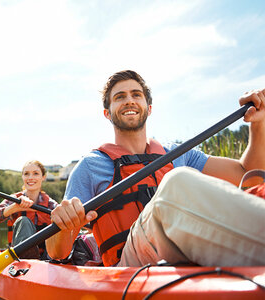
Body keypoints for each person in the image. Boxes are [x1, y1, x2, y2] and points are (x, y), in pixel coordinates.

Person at [46, 70, 265, 267]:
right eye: (119, 97)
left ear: (148, 108)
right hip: (130, 264)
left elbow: (249, 175)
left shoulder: (179, 153)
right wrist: (65, 224)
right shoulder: (90, 166)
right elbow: (57, 252)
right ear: (107, 113)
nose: (129, 101)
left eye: (136, 95)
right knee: (178, 181)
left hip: (186, 244)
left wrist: (258, 122)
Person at [0, 160, 58, 259]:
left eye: (36, 173)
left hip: (47, 257)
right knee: (23, 221)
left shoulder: (50, 204)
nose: (30, 178)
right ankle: (28, 259)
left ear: (43, 177)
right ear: (22, 177)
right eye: (26, 174)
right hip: (21, 256)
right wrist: (14, 208)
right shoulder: (13, 199)